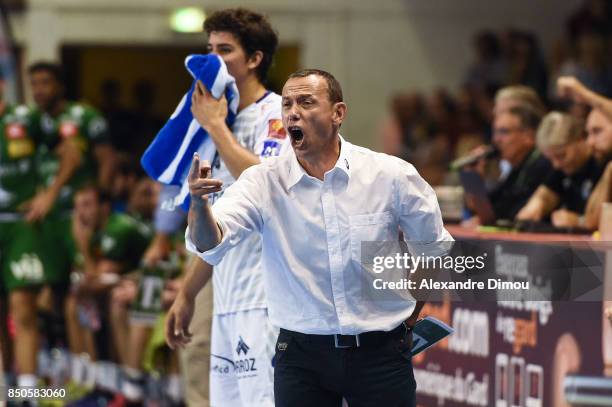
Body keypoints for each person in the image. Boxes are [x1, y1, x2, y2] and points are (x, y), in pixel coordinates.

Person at [178, 68, 452, 406]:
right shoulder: (262, 182)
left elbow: (434, 248)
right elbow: (210, 241)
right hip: (301, 357)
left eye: (307, 102)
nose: (293, 111)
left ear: (338, 113)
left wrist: (410, 317)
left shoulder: (389, 175)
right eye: (288, 103)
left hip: (380, 352)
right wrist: (199, 205)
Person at [162, 8, 290, 407]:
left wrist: (216, 128)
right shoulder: (214, 119)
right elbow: (221, 223)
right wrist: (187, 294)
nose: (211, 59)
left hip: (267, 293)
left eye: (225, 50)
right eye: (209, 48)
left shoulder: (279, 114)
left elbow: (267, 185)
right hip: (227, 288)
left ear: (254, 59)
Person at [516, 111, 604, 227]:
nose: (556, 164)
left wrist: (580, 222)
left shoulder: (602, 163)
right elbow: (543, 198)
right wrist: (535, 206)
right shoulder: (562, 170)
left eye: (561, 155)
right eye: (550, 159)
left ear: (580, 138)